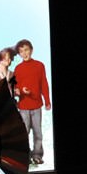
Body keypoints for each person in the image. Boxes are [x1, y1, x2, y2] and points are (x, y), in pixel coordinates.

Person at [14, 38, 52, 166]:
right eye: (21, 51)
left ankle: (37, 155)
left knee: (37, 131)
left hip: (36, 105)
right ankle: (25, 155)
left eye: (26, 50)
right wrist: (20, 91)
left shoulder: (39, 65)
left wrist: (47, 100)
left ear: (31, 50)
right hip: (24, 105)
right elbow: (15, 88)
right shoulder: (18, 68)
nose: (25, 53)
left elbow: (44, 84)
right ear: (19, 54)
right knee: (24, 132)